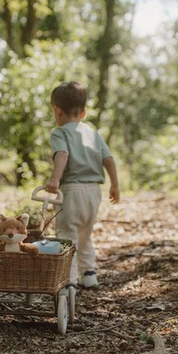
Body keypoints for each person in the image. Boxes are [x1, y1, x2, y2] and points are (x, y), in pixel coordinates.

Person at [45, 82, 120, 290]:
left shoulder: (59, 133)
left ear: (57, 111)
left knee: (66, 235)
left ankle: (68, 280)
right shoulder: (94, 134)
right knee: (86, 234)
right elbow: (109, 159)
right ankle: (89, 275)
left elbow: (62, 154)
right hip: (94, 191)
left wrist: (54, 179)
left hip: (72, 190)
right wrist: (115, 185)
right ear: (84, 112)